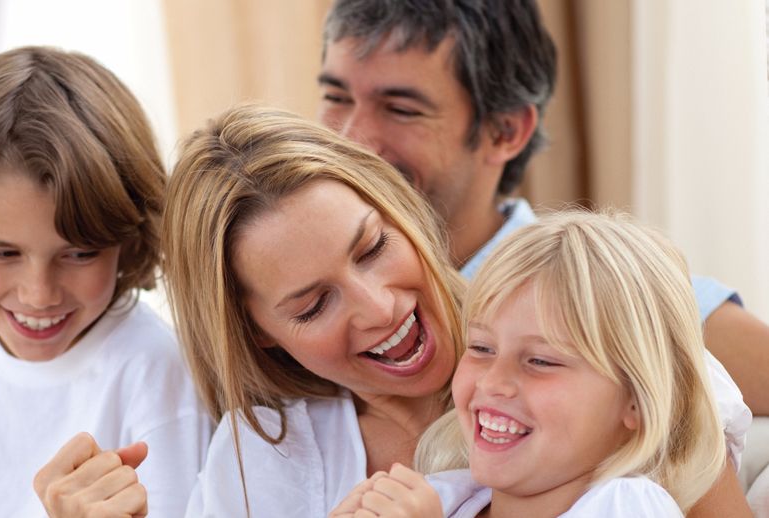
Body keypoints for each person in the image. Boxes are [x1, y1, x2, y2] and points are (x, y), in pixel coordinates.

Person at [316, 2, 761, 514]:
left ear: (506, 130)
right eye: (335, 95)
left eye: (402, 109)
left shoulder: (609, 283)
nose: (350, 137)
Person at [162, 102, 464, 517]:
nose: (378, 308)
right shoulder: (261, 458)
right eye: (313, 306)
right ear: (257, 332)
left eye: (373, 247)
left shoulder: (558, 347)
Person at [331, 211, 729, 517]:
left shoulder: (628, 504)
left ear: (636, 401)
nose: (493, 382)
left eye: (540, 360)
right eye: (482, 348)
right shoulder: (447, 495)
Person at [0, 46, 212, 517]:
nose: (38, 293)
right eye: (1, 252)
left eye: (79, 253)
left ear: (129, 240)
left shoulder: (158, 377)